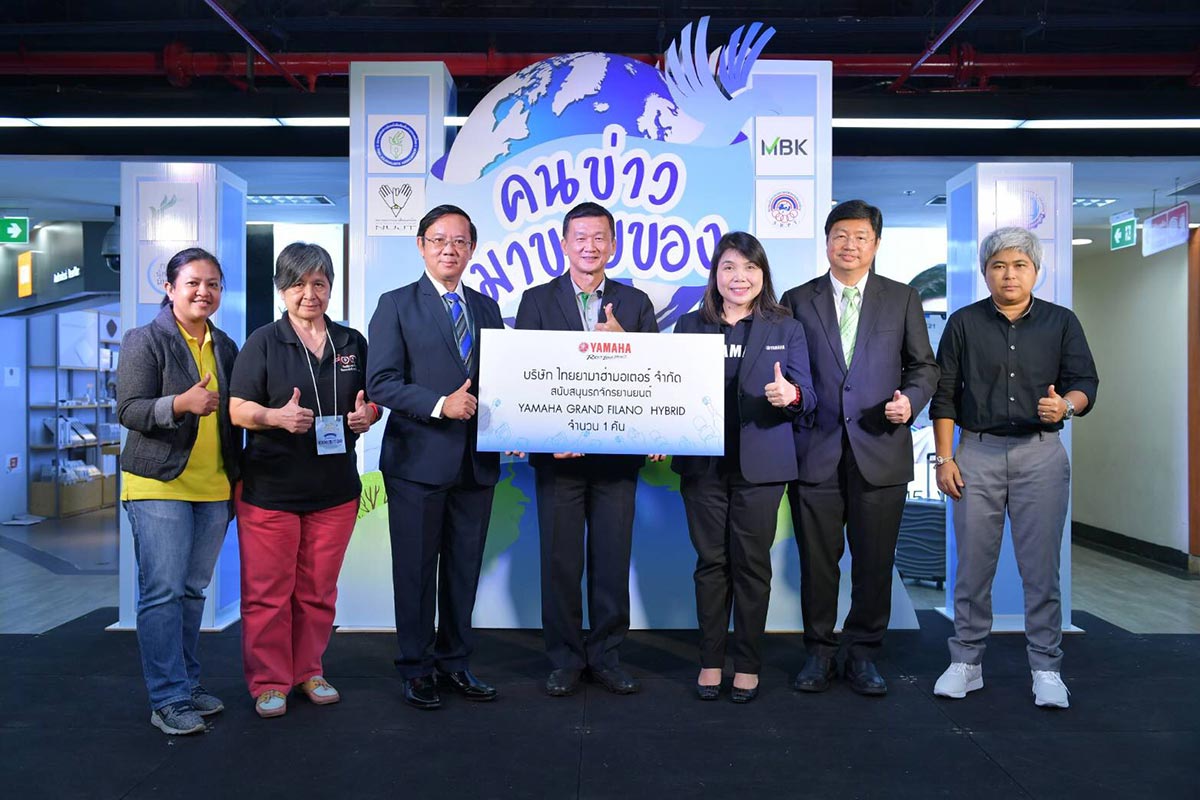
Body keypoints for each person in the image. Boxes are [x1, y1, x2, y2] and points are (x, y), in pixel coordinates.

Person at [931, 227, 1098, 709]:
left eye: (1019, 265)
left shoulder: (1061, 322)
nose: (1009, 274)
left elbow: (1085, 383)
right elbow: (944, 395)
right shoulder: (963, 323)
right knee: (972, 567)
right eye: (999, 265)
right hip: (975, 453)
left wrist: (1066, 406)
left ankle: (1046, 668)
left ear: (1036, 271)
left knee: (1041, 569)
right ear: (985, 271)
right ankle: (966, 663)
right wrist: (944, 458)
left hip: (1040, 454)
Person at [781, 199, 938, 697]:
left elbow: (924, 366)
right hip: (815, 449)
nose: (850, 245)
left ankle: (864, 653)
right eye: (841, 236)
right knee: (818, 562)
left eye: (861, 237)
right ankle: (819, 652)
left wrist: (910, 401)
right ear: (827, 241)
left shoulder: (902, 298)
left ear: (876, 243)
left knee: (874, 562)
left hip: (881, 447)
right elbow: (785, 366)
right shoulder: (797, 299)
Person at [515, 201, 659, 697]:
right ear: (563, 244)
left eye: (599, 237)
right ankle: (564, 659)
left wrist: (627, 344)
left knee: (612, 560)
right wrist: (545, 437)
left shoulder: (635, 304)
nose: (589, 246)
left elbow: (657, 376)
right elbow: (524, 376)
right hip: (558, 460)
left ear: (613, 245)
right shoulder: (536, 301)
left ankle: (606, 656)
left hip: (617, 458)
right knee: (560, 562)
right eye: (580, 237)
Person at [228, 242, 378, 718]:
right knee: (268, 594)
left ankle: (309, 670)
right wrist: (275, 417)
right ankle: (269, 681)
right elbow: (236, 409)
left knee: (317, 592)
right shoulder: (263, 342)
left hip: (335, 491)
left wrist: (369, 415)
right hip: (271, 491)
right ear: (281, 289)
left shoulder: (351, 342)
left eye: (319, 283)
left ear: (331, 287)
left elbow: (373, 399)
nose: (309, 294)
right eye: (297, 284)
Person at [367, 204, 504, 710]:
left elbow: (503, 380)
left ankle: (455, 663)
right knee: (416, 571)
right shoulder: (396, 304)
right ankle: (416, 668)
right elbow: (381, 383)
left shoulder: (487, 308)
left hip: (475, 463)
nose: (450, 249)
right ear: (421, 245)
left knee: (464, 569)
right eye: (440, 239)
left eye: (460, 241)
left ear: (472, 248)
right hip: (417, 462)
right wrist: (439, 404)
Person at [672, 232, 815, 703]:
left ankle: (748, 664)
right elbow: (669, 393)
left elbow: (809, 396)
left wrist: (791, 395)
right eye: (729, 267)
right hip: (702, 466)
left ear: (763, 274)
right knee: (711, 564)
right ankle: (711, 661)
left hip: (763, 467)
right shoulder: (690, 326)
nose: (740, 277)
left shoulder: (785, 327)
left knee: (752, 566)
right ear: (715, 274)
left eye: (750, 267)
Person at [118, 247, 241, 735]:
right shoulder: (144, 340)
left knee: (192, 592)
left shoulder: (225, 345)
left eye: (212, 284)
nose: (203, 292)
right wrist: (179, 404)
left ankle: (187, 685)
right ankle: (167, 697)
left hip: (214, 487)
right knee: (162, 592)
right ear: (170, 289)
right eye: (192, 283)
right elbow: (129, 409)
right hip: (158, 483)